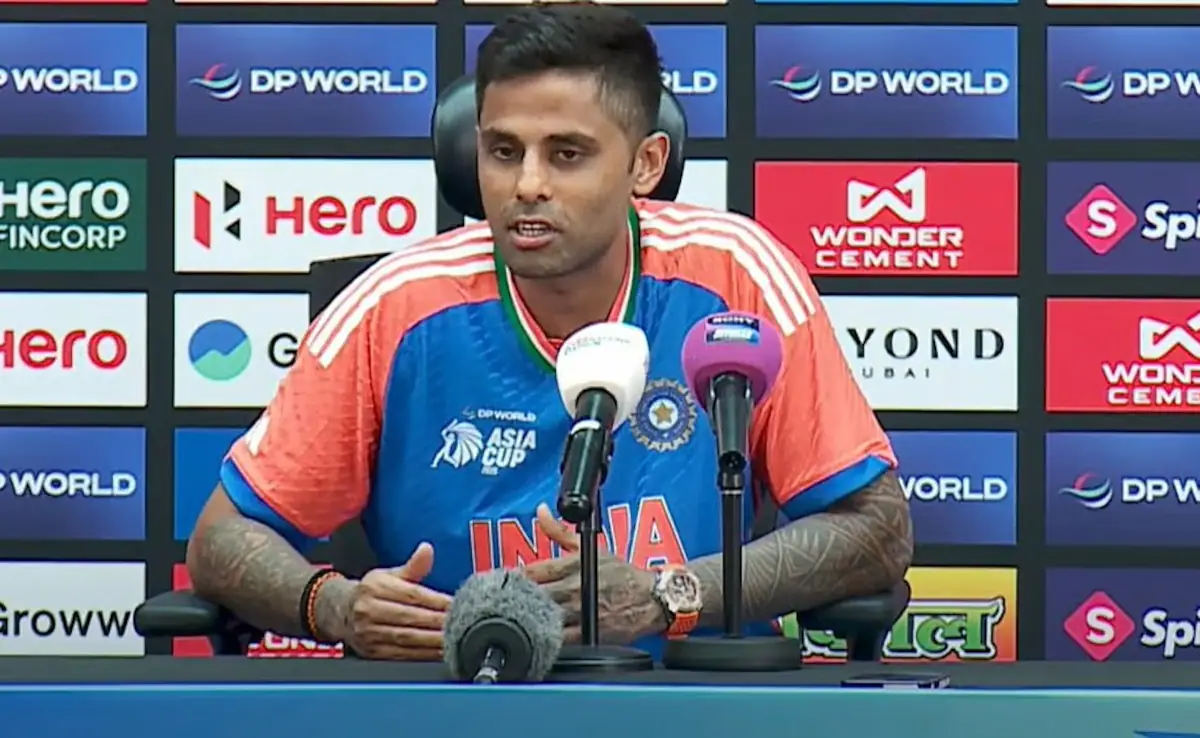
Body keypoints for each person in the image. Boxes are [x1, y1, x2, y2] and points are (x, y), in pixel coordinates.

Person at [185, 1, 913, 662]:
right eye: (504, 152)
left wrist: (670, 595)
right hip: (451, 702)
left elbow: (876, 527)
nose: (527, 184)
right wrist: (332, 606)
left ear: (646, 164)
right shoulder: (391, 307)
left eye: (567, 155)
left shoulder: (736, 278)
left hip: (687, 701)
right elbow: (220, 536)